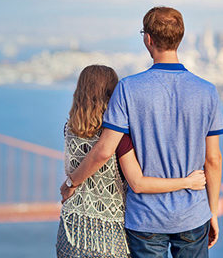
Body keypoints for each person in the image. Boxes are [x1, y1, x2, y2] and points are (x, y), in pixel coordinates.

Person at [61, 6, 223, 257]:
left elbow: (104, 150)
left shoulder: (128, 88)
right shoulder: (207, 91)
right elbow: (213, 160)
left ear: (148, 39)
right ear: (179, 38)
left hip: (145, 219)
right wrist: (212, 212)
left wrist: (72, 182)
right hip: (193, 214)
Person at [57, 65, 207, 258]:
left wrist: (70, 183)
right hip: (109, 240)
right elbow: (138, 182)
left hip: (71, 232)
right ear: (113, 94)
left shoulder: (69, 129)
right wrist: (187, 182)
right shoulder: (119, 138)